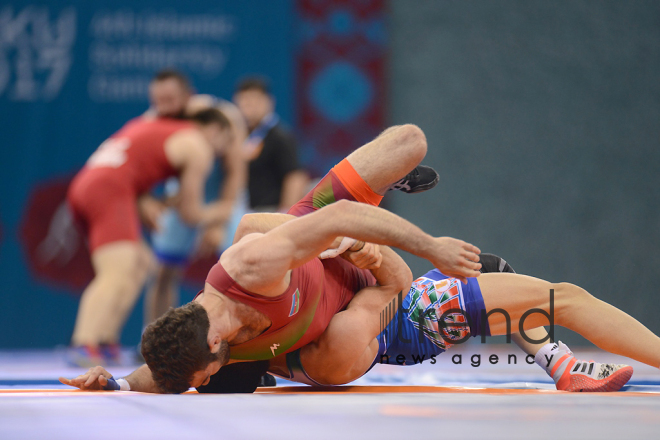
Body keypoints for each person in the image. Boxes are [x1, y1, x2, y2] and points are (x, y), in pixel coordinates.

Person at [61, 124, 477, 392]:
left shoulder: (249, 271)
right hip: (351, 293)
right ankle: (432, 294)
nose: (205, 380)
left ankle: (385, 191)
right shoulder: (196, 336)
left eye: (205, 375)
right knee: (345, 349)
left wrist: (431, 245)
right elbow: (166, 373)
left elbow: (338, 217)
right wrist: (116, 383)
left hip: (328, 230)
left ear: (214, 342)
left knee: (412, 141)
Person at [66, 106, 236, 367]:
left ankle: (104, 340)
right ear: (215, 130)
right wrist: (223, 211)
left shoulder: (153, 124)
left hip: (92, 184)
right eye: (224, 144)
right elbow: (190, 214)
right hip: (110, 190)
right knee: (117, 271)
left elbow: (132, 166)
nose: (221, 153)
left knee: (141, 262)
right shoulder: (198, 145)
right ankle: (84, 342)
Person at [140, 70, 248, 328]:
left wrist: (217, 222)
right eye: (157, 101)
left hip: (222, 195)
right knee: (164, 270)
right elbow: (138, 172)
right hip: (182, 195)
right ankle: (155, 337)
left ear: (189, 97)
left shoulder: (224, 117)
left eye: (170, 100)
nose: (162, 107)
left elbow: (235, 173)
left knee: (239, 267)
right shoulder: (153, 122)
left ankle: (244, 341)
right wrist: (146, 202)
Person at [233, 77, 309, 212]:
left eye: (253, 100)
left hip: (270, 211)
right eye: (243, 101)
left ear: (269, 102)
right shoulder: (241, 136)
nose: (248, 106)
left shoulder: (281, 136)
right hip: (245, 211)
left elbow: (295, 177)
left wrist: (285, 215)